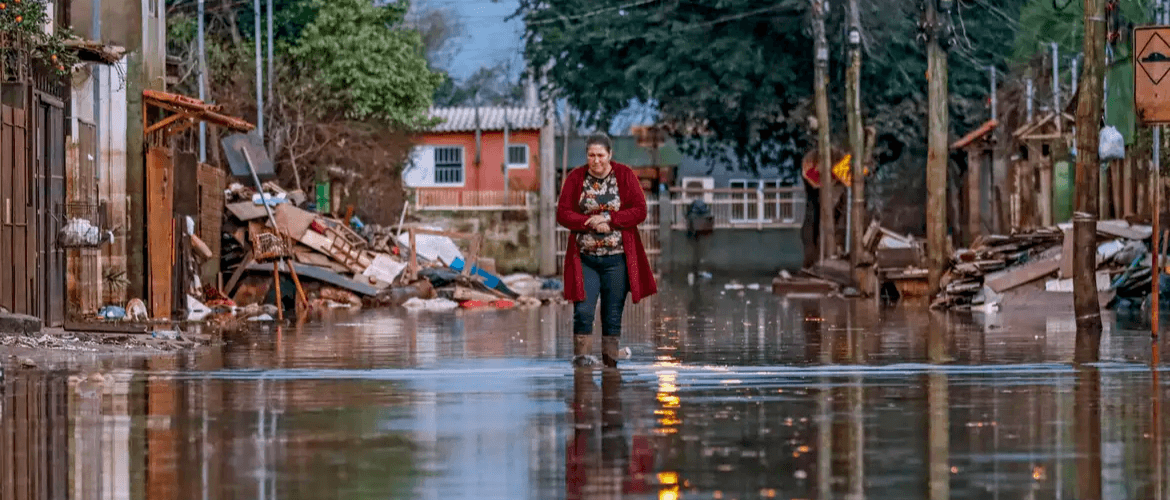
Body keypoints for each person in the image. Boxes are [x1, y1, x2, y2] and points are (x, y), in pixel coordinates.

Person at [557, 133, 658, 367]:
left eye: (601, 155)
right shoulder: (575, 178)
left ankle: (610, 360)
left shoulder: (624, 175)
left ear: (610, 155)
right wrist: (588, 221)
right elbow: (563, 213)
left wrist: (609, 219)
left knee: (612, 314)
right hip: (585, 259)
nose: (596, 160)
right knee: (583, 310)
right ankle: (581, 358)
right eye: (591, 155)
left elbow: (639, 210)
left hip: (617, 259)